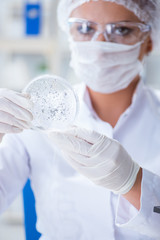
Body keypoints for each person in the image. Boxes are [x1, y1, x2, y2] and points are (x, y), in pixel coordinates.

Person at [0, 0, 160, 239]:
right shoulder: (37, 118)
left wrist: (134, 182)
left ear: (149, 41)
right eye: (85, 28)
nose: (99, 44)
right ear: (69, 34)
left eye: (122, 29)